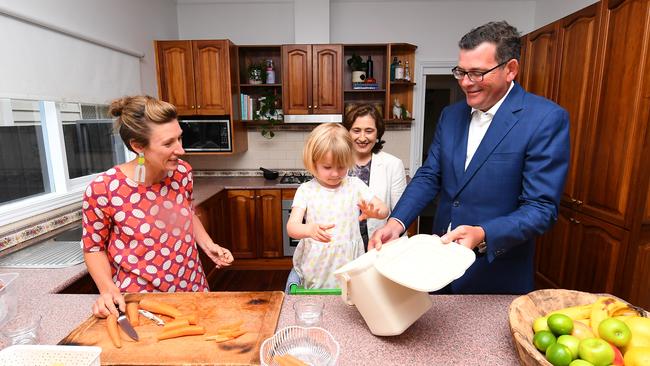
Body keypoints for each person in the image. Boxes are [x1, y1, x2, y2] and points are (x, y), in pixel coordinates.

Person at [369, 21, 570, 294]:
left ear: (510, 69)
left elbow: (541, 209)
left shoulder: (545, 119)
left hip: (495, 271)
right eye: (461, 72)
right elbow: (430, 175)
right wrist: (397, 223)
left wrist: (483, 233)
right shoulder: (450, 116)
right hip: (438, 267)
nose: (465, 82)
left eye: (476, 73)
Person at [81, 95, 234, 317]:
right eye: (168, 143)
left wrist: (208, 244)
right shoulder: (104, 189)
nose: (181, 150)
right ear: (137, 146)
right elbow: (94, 247)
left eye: (179, 139)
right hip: (141, 300)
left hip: (191, 285)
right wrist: (107, 290)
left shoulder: (181, 172)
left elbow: (185, 213)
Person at [286, 123, 389, 289]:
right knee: (319, 300)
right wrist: (309, 230)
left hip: (349, 261)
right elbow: (292, 227)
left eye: (341, 166)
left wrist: (375, 213)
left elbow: (384, 209)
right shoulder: (306, 190)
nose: (335, 173)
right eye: (327, 167)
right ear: (313, 163)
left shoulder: (355, 185)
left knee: (350, 298)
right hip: (317, 265)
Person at [342, 104, 407, 249]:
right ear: (347, 132)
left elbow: (400, 211)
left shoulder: (393, 164)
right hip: (344, 246)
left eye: (369, 131)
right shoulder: (337, 163)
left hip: (380, 244)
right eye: (356, 130)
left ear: (378, 134)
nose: (362, 137)